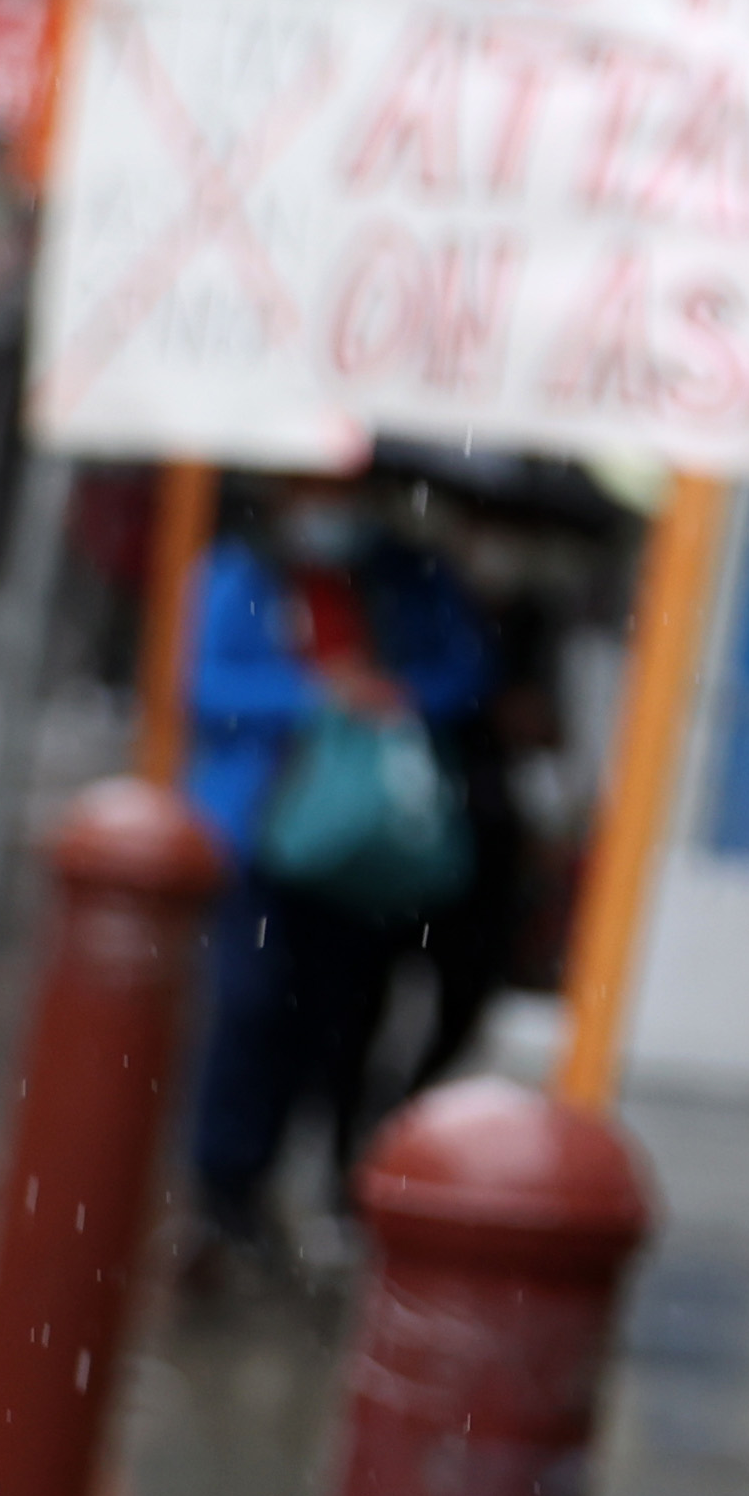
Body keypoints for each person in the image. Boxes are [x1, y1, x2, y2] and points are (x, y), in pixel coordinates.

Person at [179, 472, 494, 1275]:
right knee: (250, 1010)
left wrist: (398, 692)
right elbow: (205, 686)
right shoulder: (240, 574)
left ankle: (304, 1176)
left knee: (338, 1021)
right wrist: (315, 696)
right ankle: (225, 1186)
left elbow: (462, 671)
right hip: (263, 835)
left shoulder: (404, 579)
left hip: (367, 851)